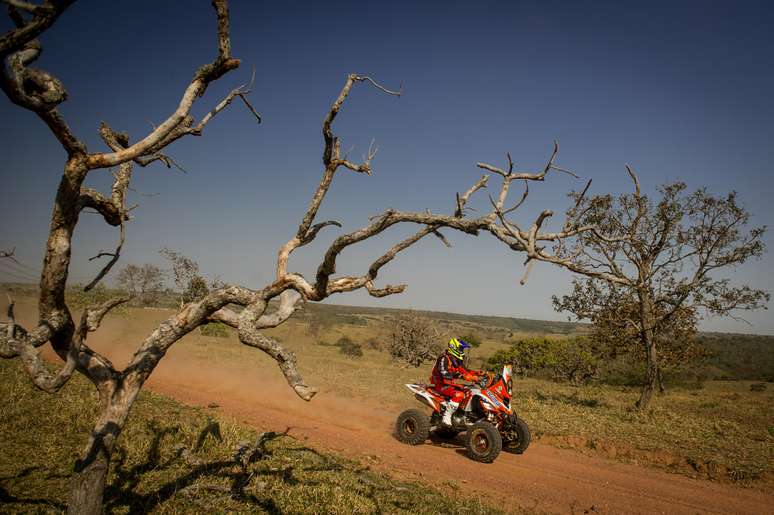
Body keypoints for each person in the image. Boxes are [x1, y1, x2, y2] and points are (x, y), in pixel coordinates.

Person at [430, 337, 484, 426]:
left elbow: (465, 370)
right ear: (454, 347)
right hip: (441, 384)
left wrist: (478, 373)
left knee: (471, 391)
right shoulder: (444, 358)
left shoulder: (455, 359)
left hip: (449, 384)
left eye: (462, 349)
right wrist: (462, 376)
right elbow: (444, 373)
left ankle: (462, 414)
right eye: (460, 348)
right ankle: (446, 416)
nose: (462, 351)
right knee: (459, 394)